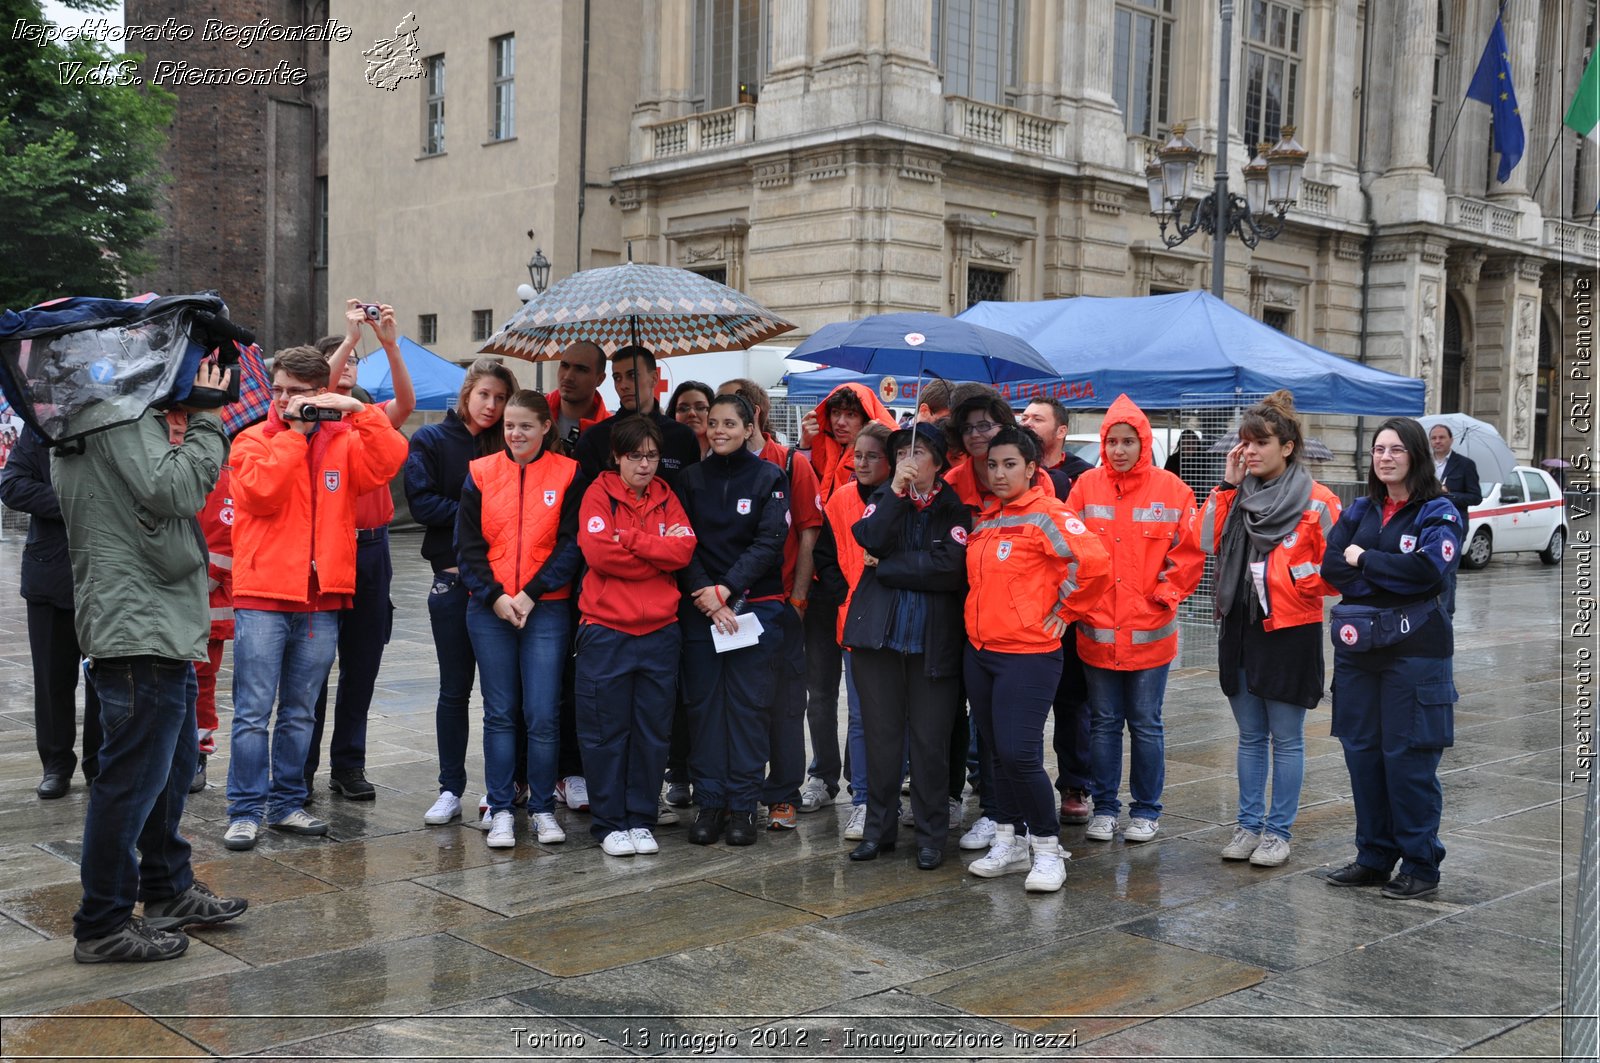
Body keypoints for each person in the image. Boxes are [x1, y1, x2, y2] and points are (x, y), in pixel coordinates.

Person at [54, 361, 247, 963]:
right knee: (131, 782)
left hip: (156, 621)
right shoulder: (115, 417)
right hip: (140, 627)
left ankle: (168, 890)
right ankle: (104, 922)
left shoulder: (95, 417)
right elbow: (176, 490)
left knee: (167, 769)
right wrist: (211, 415)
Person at [222, 346, 409, 852]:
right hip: (263, 595)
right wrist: (294, 437)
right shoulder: (251, 441)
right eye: (278, 389)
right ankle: (243, 810)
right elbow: (262, 493)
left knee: (301, 710)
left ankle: (285, 803)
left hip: (321, 597)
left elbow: (390, 461)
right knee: (253, 711)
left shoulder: (343, 440)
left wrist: (358, 411)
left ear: (318, 395)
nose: (283, 400)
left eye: (296, 393)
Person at [1196, 391, 1340, 868]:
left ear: (1288, 447)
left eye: (1260, 443)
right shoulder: (1237, 494)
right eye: (1244, 443)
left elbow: (1338, 569)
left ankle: (1278, 833)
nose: (1250, 452)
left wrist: (1297, 582)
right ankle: (1247, 825)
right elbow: (1200, 540)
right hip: (1239, 624)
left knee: (1288, 737)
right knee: (1250, 736)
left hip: (1289, 627)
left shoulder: (1318, 501)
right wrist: (1225, 484)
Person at [963, 426, 1111, 892]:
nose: (1000, 473)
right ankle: (1008, 839)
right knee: (995, 753)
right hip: (982, 652)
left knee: (1020, 753)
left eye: (1010, 465)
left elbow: (1097, 564)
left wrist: (1063, 610)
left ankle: (1047, 849)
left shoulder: (1048, 514)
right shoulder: (988, 520)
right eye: (993, 465)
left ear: (1032, 468)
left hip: (1028, 655)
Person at [1322, 417, 1462, 900]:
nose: (1385, 457)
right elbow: (1331, 565)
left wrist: (1365, 561)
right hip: (1359, 653)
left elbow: (1427, 570)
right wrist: (1382, 575)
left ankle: (1421, 865)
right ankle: (1374, 857)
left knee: (1407, 760)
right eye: (1379, 449)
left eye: (1396, 449)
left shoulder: (1438, 512)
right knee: (1362, 755)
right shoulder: (1361, 509)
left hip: (1416, 655)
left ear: (1416, 455)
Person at [1066, 394, 1204, 846]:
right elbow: (1069, 549)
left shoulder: (1173, 490)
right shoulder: (1085, 487)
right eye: (1112, 442)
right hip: (1098, 632)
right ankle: (1105, 807)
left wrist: (1165, 595)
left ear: (1144, 443)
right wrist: (1081, 602)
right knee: (1104, 722)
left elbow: (1188, 552)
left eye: (1128, 441)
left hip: (1149, 635)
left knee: (1146, 723)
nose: (1119, 450)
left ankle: (1146, 810)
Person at [839, 421, 971, 869]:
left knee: (931, 743)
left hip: (932, 643)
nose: (907, 461)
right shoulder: (882, 497)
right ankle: (878, 830)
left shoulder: (954, 508)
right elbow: (869, 539)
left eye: (918, 453)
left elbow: (950, 569)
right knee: (881, 739)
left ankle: (932, 835)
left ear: (938, 462)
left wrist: (889, 567)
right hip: (877, 637)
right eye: (900, 454)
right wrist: (894, 494)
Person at [456, 390, 584, 849]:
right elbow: (468, 547)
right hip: (489, 609)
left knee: (544, 714)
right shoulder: (481, 473)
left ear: (546, 427)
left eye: (525, 425)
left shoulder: (568, 473)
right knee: (500, 713)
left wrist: (530, 595)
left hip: (545, 607)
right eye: (509, 425)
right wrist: (495, 597)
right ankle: (502, 808)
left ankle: (544, 810)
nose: (515, 434)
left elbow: (571, 546)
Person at [304, 301, 417, 801]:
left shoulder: (368, 415)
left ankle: (348, 764)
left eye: (353, 359)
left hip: (372, 547)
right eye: (341, 358)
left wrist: (388, 342)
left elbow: (406, 406)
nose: (349, 365)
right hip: (327, 547)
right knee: (312, 665)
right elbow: (316, 392)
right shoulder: (312, 420)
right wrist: (349, 339)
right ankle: (300, 767)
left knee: (362, 663)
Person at [404, 357, 519, 826]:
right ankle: (450, 787)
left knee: (502, 697)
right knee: (454, 691)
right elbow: (422, 502)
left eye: (500, 398)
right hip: (451, 581)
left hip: (498, 585)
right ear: (467, 392)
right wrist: (480, 513)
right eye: (484, 395)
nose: (491, 406)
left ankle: (501, 791)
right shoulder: (430, 439)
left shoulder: (509, 445)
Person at [574, 415, 697, 856]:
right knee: (605, 731)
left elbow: (683, 551)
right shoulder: (597, 494)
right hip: (606, 631)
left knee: (652, 732)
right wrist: (655, 554)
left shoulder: (668, 497)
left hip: (661, 633)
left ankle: (640, 818)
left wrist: (631, 538)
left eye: (651, 456)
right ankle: (609, 823)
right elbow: (600, 556)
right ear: (617, 457)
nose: (645, 465)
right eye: (635, 456)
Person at [673, 393, 789, 847]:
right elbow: (683, 541)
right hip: (701, 608)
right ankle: (711, 802)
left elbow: (768, 541)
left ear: (748, 427)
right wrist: (708, 594)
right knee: (703, 708)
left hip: (751, 608)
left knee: (746, 708)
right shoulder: (689, 480)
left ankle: (742, 806)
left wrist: (727, 590)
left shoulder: (769, 476)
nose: (719, 430)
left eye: (729, 423)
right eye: (713, 423)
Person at [719, 378, 823, 831]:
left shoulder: (791, 463)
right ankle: (735, 789)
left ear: (754, 416)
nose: (716, 425)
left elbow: (808, 531)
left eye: (728, 416)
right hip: (730, 608)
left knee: (784, 704)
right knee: (738, 704)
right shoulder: (713, 464)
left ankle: (783, 793)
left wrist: (797, 598)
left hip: (778, 604)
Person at [795, 382, 896, 815]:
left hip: (868, 600)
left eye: (850, 414)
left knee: (864, 699)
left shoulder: (893, 480)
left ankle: (861, 780)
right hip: (824, 594)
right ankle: (821, 774)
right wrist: (833, 586)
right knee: (818, 693)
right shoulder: (812, 460)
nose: (839, 421)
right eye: (834, 413)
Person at [1, 427, 101, 798]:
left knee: (105, 678)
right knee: (51, 680)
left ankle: (99, 763)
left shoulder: (118, 422)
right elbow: (11, 485)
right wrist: (75, 502)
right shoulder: (39, 429)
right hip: (49, 575)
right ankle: (56, 764)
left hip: (106, 576)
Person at [1018, 396, 1096, 825]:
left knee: (1071, 704)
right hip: (1017, 614)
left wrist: (1071, 605)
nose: (1027, 422)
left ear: (1061, 430)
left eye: (1037, 418)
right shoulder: (1006, 471)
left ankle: (1074, 785)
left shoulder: (1081, 479)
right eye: (1024, 416)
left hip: (1063, 614)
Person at [573, 345, 699, 484]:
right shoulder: (595, 438)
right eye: (617, 378)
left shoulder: (683, 437)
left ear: (654, 378)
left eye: (632, 375)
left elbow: (692, 496)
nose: (623, 385)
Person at [554, 340, 610, 450]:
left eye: (581, 369)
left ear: (600, 379)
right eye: (564, 366)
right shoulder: (533, 415)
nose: (568, 377)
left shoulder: (613, 431)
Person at [666, 380, 715, 460]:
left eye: (700, 408)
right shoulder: (662, 452)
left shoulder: (725, 452)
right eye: (683, 409)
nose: (691, 413)